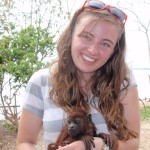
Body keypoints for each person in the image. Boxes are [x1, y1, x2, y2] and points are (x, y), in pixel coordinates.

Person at [17, 0, 140, 149]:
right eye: (87, 36)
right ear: (71, 36)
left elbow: (133, 143)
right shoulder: (41, 81)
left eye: (105, 43)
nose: (93, 50)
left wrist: (100, 145)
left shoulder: (122, 80)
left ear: (115, 50)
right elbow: (25, 143)